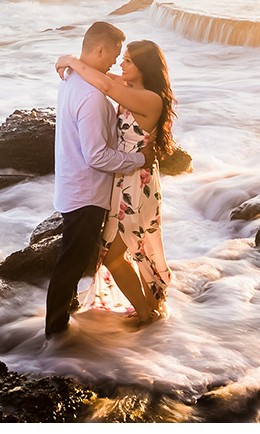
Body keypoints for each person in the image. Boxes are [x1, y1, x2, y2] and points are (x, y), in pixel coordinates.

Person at [45, 21, 156, 338]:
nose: (116, 62)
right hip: (87, 192)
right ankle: (55, 331)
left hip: (71, 185)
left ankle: (63, 317)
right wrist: (138, 159)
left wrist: (70, 60)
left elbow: (110, 82)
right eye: (116, 54)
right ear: (100, 49)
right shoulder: (92, 97)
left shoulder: (70, 80)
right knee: (71, 265)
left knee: (74, 260)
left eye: (126, 58)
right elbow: (97, 156)